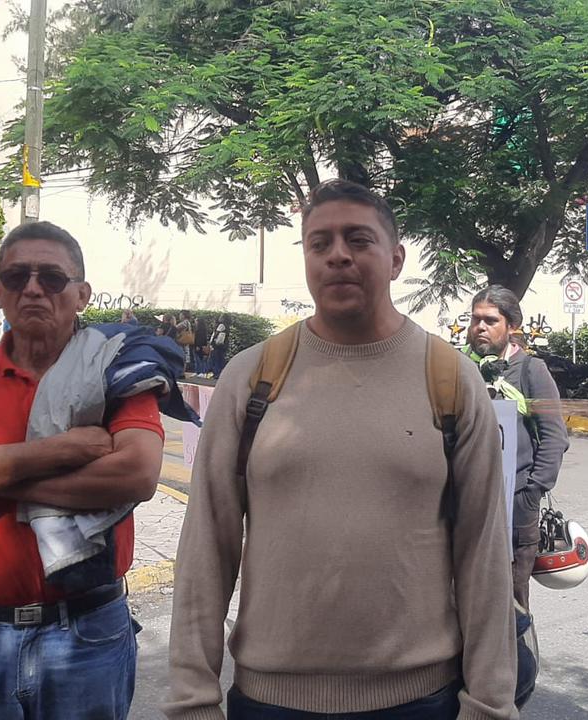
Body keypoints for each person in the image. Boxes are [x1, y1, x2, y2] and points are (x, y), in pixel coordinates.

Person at [164, 180, 518, 720]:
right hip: (270, 702)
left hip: (420, 701)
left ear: (396, 259)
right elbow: (206, 547)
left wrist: (489, 704)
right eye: (319, 243)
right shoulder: (252, 377)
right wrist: (192, 700)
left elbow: (484, 552)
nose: (337, 256)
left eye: (358, 239)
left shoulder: (449, 378)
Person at [0, 221, 167, 720]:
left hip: (88, 633)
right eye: (17, 276)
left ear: (82, 294)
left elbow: (136, 476)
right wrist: (64, 449)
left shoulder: (115, 369)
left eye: (51, 277)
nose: (32, 289)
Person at [466, 285, 570, 612]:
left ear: (511, 326)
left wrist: (531, 492)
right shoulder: (458, 368)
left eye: (490, 321)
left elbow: (554, 437)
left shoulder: (530, 370)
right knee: (464, 599)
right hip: (465, 504)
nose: (480, 327)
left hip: (515, 505)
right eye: (475, 319)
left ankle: (517, 647)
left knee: (511, 604)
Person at [209, 313, 230, 378]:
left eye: (221, 317)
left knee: (216, 359)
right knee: (221, 359)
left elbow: (216, 333)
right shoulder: (227, 326)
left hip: (218, 345)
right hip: (223, 345)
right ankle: (221, 373)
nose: (219, 318)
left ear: (223, 318)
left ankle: (217, 373)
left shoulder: (221, 325)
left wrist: (212, 342)